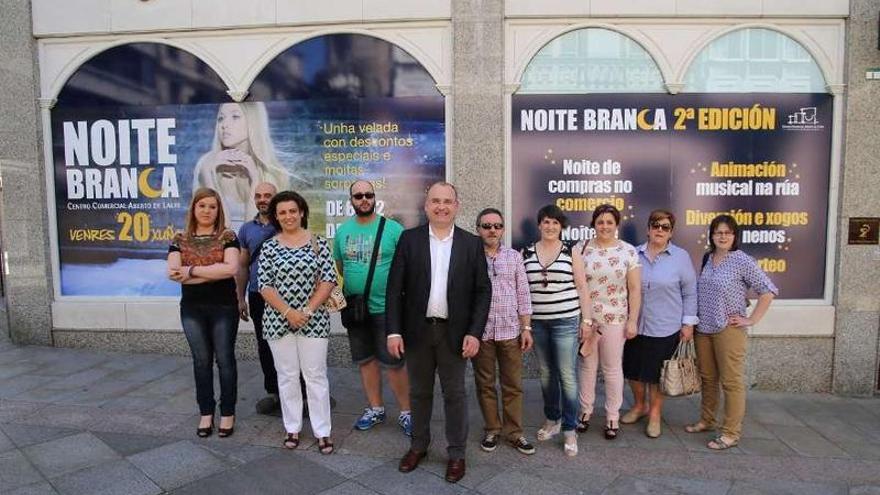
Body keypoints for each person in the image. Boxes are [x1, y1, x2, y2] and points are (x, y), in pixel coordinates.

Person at [386, 182, 491, 483]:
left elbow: (483, 292)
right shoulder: (409, 240)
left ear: (457, 206)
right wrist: (393, 331)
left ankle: (456, 453)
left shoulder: (472, 244)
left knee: (455, 395)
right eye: (435, 201)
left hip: (455, 334)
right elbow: (395, 290)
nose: (441, 206)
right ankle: (418, 445)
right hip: (417, 332)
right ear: (426, 205)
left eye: (447, 201)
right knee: (419, 393)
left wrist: (475, 333)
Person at [685, 214, 777, 450]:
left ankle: (730, 432)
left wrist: (751, 319)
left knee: (731, 382)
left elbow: (767, 291)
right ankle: (707, 419)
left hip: (728, 330)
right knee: (708, 378)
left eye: (727, 232)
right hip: (703, 328)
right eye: (718, 232)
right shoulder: (708, 258)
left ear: (735, 236)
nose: (722, 236)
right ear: (712, 235)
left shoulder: (742, 261)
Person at [258, 191, 338, 454]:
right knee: (287, 376)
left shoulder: (318, 243)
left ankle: (323, 431)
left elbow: (328, 280)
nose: (288, 216)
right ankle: (292, 427)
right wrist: (288, 312)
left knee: (315, 376)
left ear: (302, 212)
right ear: (276, 217)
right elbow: (264, 286)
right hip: (277, 321)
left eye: (292, 211)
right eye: (282, 212)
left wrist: (306, 310)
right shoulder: (269, 246)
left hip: (313, 320)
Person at [333, 180, 412, 435]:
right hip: (357, 310)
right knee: (365, 361)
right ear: (351, 200)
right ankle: (376, 408)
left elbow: (406, 268)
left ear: (374, 198)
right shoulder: (343, 231)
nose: (364, 199)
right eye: (358, 196)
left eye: (368, 195)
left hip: (387, 309)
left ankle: (406, 412)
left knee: (394, 363)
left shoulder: (392, 229)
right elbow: (340, 268)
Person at [167, 187, 240, 438]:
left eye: (212, 206)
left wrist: (193, 271)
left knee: (225, 360)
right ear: (194, 209)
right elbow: (175, 274)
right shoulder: (179, 239)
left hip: (224, 308)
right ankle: (206, 413)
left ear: (218, 210)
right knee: (201, 361)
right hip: (192, 309)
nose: (207, 210)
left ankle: (228, 413)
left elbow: (230, 269)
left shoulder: (228, 236)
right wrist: (211, 271)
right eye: (202, 206)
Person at [620, 210, 698, 438]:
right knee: (633, 371)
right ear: (648, 229)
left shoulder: (681, 257)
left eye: (665, 227)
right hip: (635, 324)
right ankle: (639, 406)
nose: (659, 230)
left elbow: (690, 292)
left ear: (671, 232)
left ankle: (654, 413)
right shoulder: (633, 253)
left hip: (666, 326)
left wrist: (688, 323)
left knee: (657, 375)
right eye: (655, 225)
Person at [522, 205, 592, 457]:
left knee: (567, 375)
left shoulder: (570, 251)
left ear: (561, 226)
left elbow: (583, 287)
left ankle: (570, 429)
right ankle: (553, 420)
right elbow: (523, 293)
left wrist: (587, 321)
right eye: (546, 222)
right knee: (545, 373)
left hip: (566, 321)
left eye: (555, 222)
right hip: (538, 322)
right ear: (539, 225)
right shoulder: (526, 252)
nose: (550, 226)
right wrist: (526, 326)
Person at [473, 208, 536, 456]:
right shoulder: (470, 256)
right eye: (487, 226)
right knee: (485, 384)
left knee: (513, 385)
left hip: (510, 331)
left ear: (502, 229)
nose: (492, 230)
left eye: (497, 226)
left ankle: (515, 433)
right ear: (478, 229)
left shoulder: (514, 257)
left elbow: (523, 294)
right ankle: (492, 429)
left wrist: (526, 327)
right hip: (482, 332)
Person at [576, 203, 641, 441]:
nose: (604, 226)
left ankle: (612, 416)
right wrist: (585, 318)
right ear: (594, 224)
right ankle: (584, 412)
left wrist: (633, 320)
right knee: (587, 367)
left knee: (612, 369)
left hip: (616, 319)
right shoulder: (581, 249)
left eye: (609, 223)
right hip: (588, 320)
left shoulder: (628, 251)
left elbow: (634, 289)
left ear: (616, 226)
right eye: (600, 222)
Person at [193, 102, 289, 229]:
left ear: (253, 121)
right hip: (219, 245)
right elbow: (220, 229)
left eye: (235, 117)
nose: (224, 125)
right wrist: (208, 174)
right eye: (221, 118)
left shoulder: (272, 172)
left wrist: (255, 179)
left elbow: (254, 233)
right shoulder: (206, 163)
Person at [235, 182, 281, 415]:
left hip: (286, 297)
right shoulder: (246, 230)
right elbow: (242, 266)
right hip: (257, 295)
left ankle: (301, 392)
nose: (263, 199)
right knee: (264, 345)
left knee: (292, 344)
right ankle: (273, 392)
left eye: (268, 195)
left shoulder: (286, 223)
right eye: (259, 196)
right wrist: (240, 298)